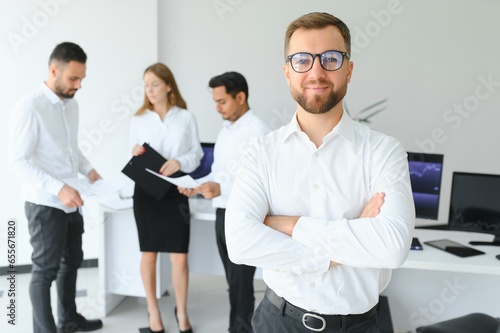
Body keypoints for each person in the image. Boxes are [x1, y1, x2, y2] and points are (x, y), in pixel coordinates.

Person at [225, 12, 415, 333]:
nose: (316, 71)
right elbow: (241, 243)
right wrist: (345, 243)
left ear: (349, 70)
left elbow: (393, 246)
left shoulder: (383, 151)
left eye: (330, 58)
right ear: (287, 72)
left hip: (359, 326)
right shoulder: (261, 152)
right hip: (278, 321)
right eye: (302, 60)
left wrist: (288, 225)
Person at [8, 42, 104, 333]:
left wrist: (89, 170)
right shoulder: (29, 107)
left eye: (82, 79)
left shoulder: (71, 104)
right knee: (44, 272)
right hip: (45, 205)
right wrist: (59, 188)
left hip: (70, 200)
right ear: (54, 70)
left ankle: (69, 319)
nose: (79, 85)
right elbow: (18, 161)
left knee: (72, 261)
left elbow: (69, 149)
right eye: (74, 78)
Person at [179, 72, 271, 332]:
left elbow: (260, 181)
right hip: (222, 212)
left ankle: (240, 330)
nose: (217, 108)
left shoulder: (259, 131)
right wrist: (197, 185)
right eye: (215, 102)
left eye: (222, 102)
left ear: (240, 97)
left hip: (243, 216)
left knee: (241, 285)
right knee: (233, 282)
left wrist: (220, 186)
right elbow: (219, 172)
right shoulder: (226, 130)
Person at [129, 63, 202, 333]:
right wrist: (135, 152)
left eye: (155, 83)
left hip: (175, 191)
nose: (149, 89)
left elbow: (196, 154)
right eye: (146, 84)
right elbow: (131, 152)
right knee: (148, 255)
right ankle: (153, 313)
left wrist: (179, 161)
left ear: (169, 85)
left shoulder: (185, 117)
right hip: (146, 192)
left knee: (179, 257)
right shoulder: (138, 120)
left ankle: (181, 312)